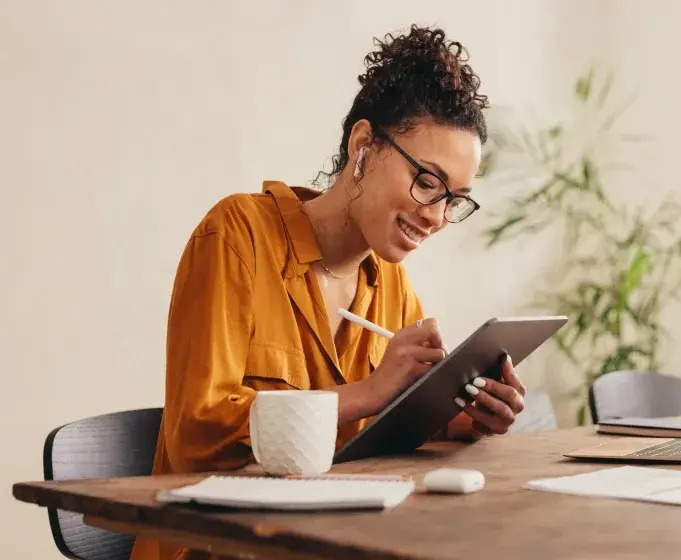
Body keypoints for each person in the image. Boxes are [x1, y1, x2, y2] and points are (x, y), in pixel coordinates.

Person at [130, 24, 526, 560]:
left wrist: (466, 418)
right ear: (363, 146)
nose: (435, 216)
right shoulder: (236, 236)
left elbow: (386, 433)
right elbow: (196, 433)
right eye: (427, 182)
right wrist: (367, 391)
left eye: (454, 199)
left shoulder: (388, 283)